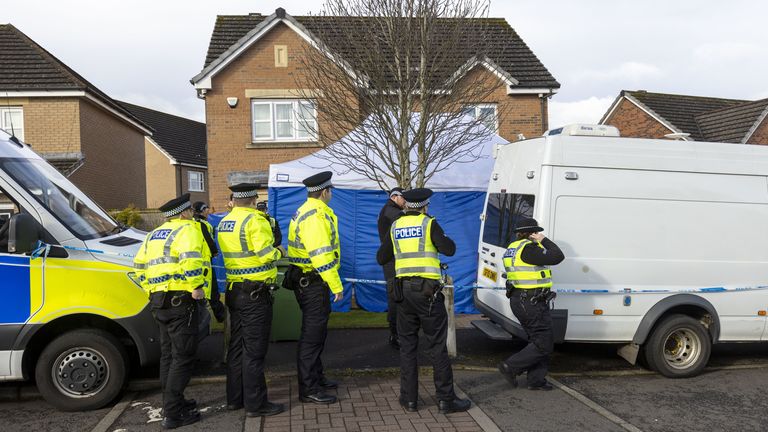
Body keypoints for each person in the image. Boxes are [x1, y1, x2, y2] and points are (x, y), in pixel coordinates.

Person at [376, 188, 470, 414]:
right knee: (437, 346)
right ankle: (446, 400)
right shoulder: (429, 224)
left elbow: (381, 257)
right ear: (425, 205)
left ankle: (409, 399)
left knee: (407, 347)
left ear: (406, 204)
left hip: (403, 294)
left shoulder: (396, 226)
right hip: (427, 294)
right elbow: (449, 249)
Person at [133, 193, 209, 429]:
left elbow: (138, 267)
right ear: (185, 212)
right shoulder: (188, 229)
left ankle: (172, 403)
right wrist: (196, 286)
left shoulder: (153, 234)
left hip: (158, 301)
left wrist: (150, 290)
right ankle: (173, 413)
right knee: (183, 356)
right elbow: (191, 260)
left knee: (168, 355)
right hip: (181, 300)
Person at [217, 183, 285, 417]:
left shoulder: (225, 221)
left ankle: (235, 399)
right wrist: (280, 252)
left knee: (236, 347)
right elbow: (266, 255)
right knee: (254, 352)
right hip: (255, 294)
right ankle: (256, 404)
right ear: (254, 200)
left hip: (234, 289)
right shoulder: (255, 221)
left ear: (234, 200)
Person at [285, 171, 342, 404]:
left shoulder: (307, 210)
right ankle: (309, 388)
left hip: (308, 280)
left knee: (316, 334)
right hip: (313, 282)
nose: (331, 194)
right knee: (312, 336)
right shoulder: (315, 216)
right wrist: (336, 285)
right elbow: (321, 255)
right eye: (331, 191)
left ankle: (316, 378)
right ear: (324, 192)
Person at [497, 217, 564, 390]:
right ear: (532, 233)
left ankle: (536, 380)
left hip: (523, 300)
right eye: (536, 232)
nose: (538, 235)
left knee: (538, 341)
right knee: (544, 343)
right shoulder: (528, 249)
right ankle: (510, 367)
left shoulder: (513, 248)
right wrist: (544, 240)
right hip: (531, 302)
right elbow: (558, 256)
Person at [377, 187, 405, 349]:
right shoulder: (391, 211)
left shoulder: (389, 209)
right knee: (395, 296)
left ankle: (397, 333)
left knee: (397, 295)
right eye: (404, 198)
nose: (406, 202)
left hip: (393, 258)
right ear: (395, 197)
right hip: (392, 260)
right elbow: (404, 220)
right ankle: (395, 335)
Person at [192, 201, 226, 323]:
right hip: (204, 262)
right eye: (206, 208)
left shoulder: (197, 223)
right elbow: (208, 240)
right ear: (202, 211)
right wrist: (214, 251)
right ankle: (221, 317)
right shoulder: (201, 224)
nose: (208, 210)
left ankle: (217, 316)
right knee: (212, 291)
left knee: (207, 292)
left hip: (200, 262)